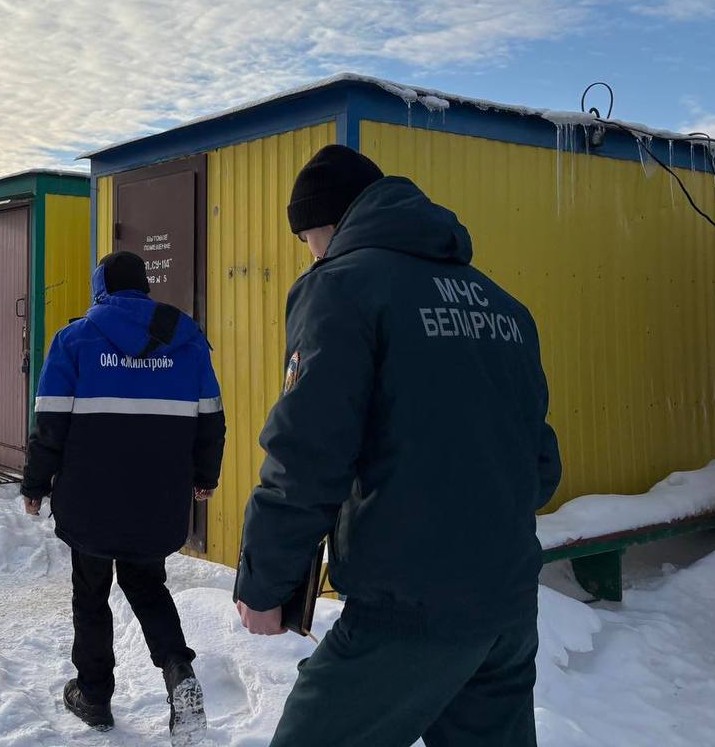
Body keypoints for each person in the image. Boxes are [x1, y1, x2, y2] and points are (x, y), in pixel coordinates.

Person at [234, 144, 562, 747]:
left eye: (307, 237)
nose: (311, 252)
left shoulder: (340, 288)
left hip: (408, 609)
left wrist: (264, 581)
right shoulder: (505, 309)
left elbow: (307, 454)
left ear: (327, 223)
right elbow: (540, 465)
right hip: (508, 605)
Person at [22, 250, 227, 743]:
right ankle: (179, 672)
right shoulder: (186, 339)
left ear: (101, 288)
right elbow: (211, 420)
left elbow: (50, 424)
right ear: (144, 287)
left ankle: (94, 695)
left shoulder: (74, 340)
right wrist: (205, 476)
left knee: (91, 593)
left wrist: (35, 483)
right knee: (148, 585)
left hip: (89, 497)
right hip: (158, 497)